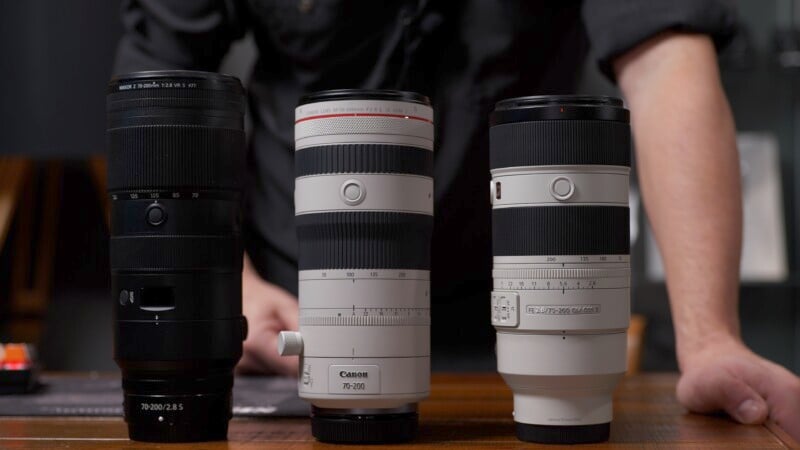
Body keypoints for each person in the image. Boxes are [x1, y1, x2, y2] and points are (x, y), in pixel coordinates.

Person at [114, 0, 800, 439]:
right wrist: (232, 289)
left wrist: (710, 338)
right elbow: (156, 87)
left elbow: (666, 58)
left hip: (510, 314)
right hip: (293, 323)